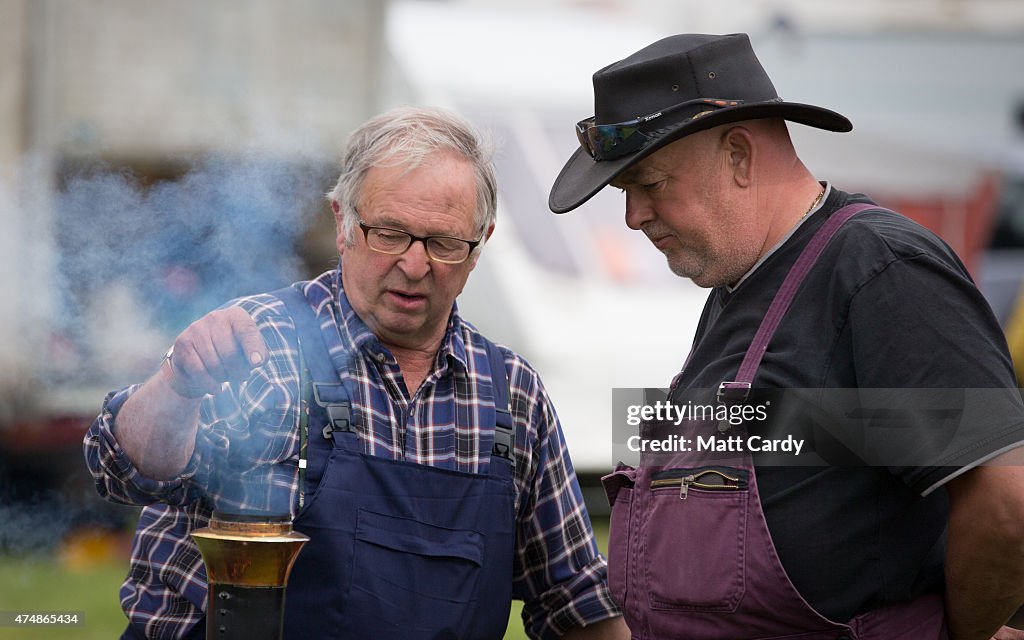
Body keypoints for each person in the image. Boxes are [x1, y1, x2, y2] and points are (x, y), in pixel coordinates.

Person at [85, 106, 629, 640]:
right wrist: (178, 385)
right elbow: (124, 468)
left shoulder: (513, 395)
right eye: (389, 233)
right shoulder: (258, 346)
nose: (414, 266)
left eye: (442, 243)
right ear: (342, 221)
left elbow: (573, 601)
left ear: (481, 244)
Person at [548, 33, 1024, 640]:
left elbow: (1006, 506)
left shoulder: (878, 269)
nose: (632, 215)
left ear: (740, 155)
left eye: (649, 182)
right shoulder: (738, 289)